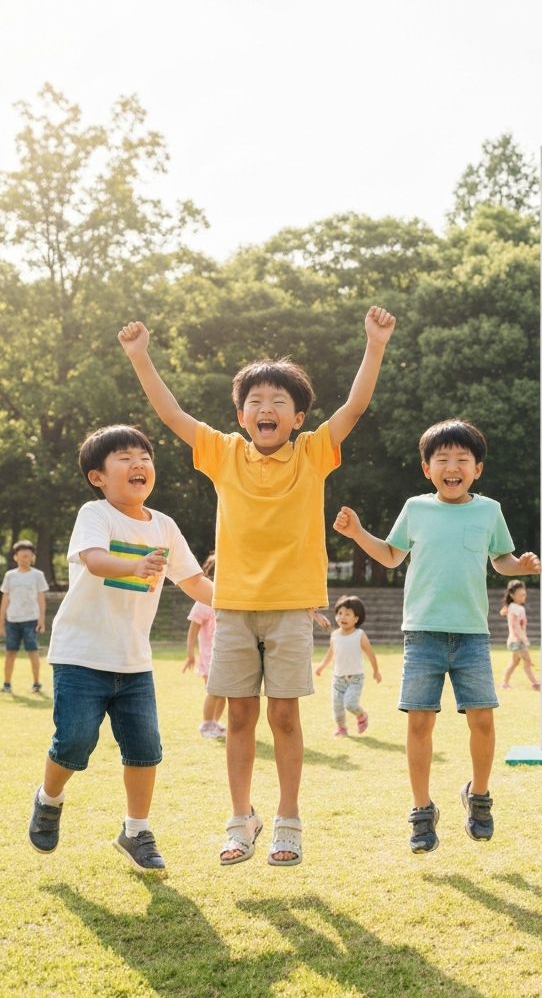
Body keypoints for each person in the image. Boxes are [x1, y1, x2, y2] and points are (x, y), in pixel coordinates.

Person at [119, 306, 395, 867]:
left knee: (286, 718)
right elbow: (170, 414)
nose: (266, 408)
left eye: (278, 402)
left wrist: (375, 344)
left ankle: (288, 821)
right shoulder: (223, 453)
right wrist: (140, 356)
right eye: (255, 401)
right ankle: (241, 819)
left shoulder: (315, 452)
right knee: (238, 717)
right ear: (241, 414)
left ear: (297, 417)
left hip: (292, 609)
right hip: (234, 607)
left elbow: (356, 405)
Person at [333, 418, 540, 854]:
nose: (452, 466)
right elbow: (390, 556)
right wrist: (356, 533)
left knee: (483, 719)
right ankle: (422, 811)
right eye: (442, 459)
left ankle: (478, 797)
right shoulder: (416, 508)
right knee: (420, 722)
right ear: (427, 468)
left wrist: (519, 565)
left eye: (462, 459)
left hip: (471, 636)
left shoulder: (489, 510)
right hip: (422, 635)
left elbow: (500, 558)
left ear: (477, 469)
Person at [27, 425, 211, 870]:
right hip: (80, 656)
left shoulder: (164, 525)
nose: (139, 465)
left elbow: (193, 581)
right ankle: (49, 799)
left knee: (145, 749)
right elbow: (94, 559)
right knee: (73, 742)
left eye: (145, 457)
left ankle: (136, 831)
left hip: (134, 662)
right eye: (125, 458)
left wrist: (251, 601)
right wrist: (136, 564)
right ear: (98, 476)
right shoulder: (97, 514)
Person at [315, 595, 381, 736]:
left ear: (356, 618)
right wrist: (321, 666)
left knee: (350, 703)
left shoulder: (359, 635)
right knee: (337, 707)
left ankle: (362, 715)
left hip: (355, 678)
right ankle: (342, 728)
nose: (342, 617)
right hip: (338, 678)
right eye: (340, 613)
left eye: (347, 614)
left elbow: (370, 653)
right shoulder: (335, 635)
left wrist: (376, 671)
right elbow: (331, 654)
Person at [182, 553, 225, 738]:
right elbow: (193, 628)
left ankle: (215, 723)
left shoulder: (228, 596)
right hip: (210, 656)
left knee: (223, 692)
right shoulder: (206, 598)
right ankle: (206, 724)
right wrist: (190, 653)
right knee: (214, 690)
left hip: (225, 654)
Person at [2, 539, 49, 694]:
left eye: (28, 556)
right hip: (12, 620)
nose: (25, 559)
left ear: (32, 557)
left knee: (32, 652)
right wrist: (1, 621)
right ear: (16, 557)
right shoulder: (10, 576)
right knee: (10, 652)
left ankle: (36, 683)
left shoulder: (38, 575)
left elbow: (41, 598)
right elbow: (6, 598)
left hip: (31, 620)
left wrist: (41, 618)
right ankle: (7, 684)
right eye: (22, 556)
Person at [499, 581, 539, 691]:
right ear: (512, 595)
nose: (523, 597)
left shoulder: (516, 607)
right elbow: (515, 626)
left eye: (524, 594)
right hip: (517, 641)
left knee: (515, 662)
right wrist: (524, 639)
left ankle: (504, 683)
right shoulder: (514, 608)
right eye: (520, 595)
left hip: (516, 640)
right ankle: (535, 683)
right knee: (527, 661)